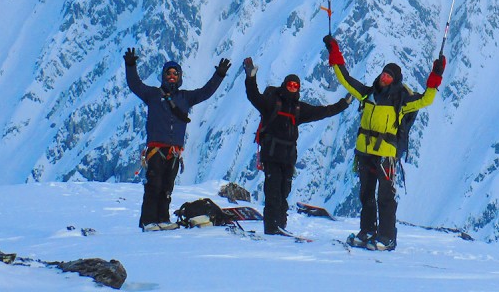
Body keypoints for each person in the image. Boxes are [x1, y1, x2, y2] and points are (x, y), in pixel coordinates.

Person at [322, 34, 444, 250]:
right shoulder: (367, 94)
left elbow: (427, 99)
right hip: (365, 152)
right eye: (383, 74)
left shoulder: (402, 101)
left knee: (386, 196)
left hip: (387, 154)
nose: (384, 78)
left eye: (388, 76)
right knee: (366, 194)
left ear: (395, 80)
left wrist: (436, 74)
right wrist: (334, 51)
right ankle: (367, 231)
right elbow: (345, 79)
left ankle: (387, 237)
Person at [242, 57, 351, 235]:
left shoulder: (299, 108)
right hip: (271, 155)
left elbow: (323, 111)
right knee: (273, 192)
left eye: (295, 85)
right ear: (285, 85)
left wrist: (343, 105)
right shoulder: (272, 103)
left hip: (288, 157)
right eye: (290, 84)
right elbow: (253, 95)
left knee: (284, 192)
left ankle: (280, 225)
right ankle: (271, 228)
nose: (292, 87)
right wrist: (250, 76)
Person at [124, 48, 230, 230]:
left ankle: (163, 219)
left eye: (175, 73)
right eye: (169, 73)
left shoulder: (185, 97)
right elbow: (135, 84)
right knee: (154, 185)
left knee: (166, 188)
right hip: (156, 149)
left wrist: (219, 75)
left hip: (173, 152)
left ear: (180, 77)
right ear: (163, 76)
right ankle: (148, 221)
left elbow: (206, 92)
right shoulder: (152, 94)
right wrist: (131, 65)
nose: (172, 76)